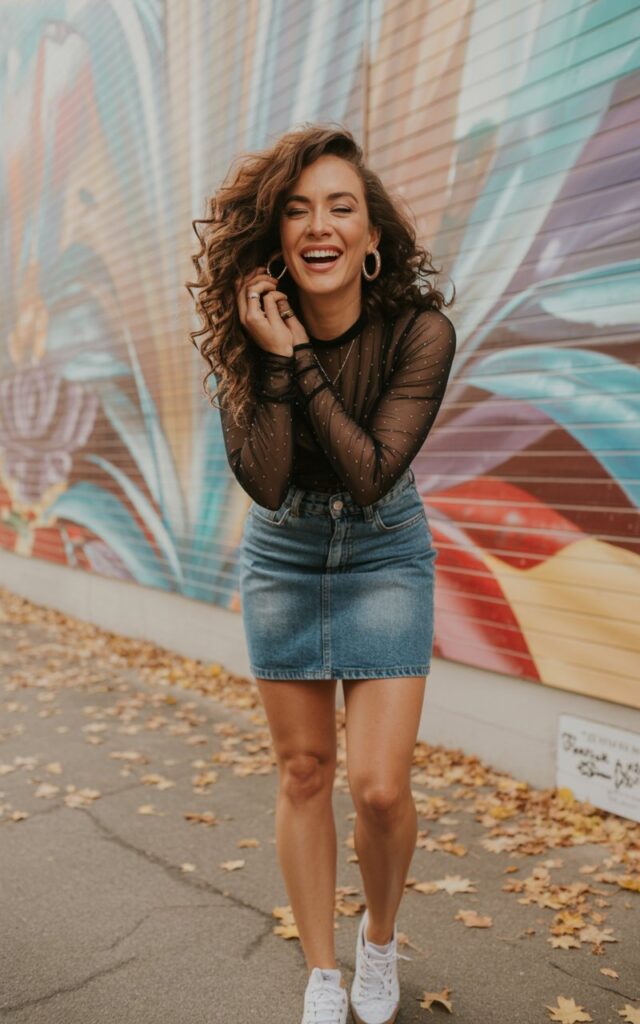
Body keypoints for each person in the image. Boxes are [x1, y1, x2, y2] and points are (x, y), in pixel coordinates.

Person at [187, 123, 456, 1024]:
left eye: (342, 206)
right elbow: (266, 484)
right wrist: (268, 356)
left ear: (372, 236)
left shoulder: (420, 332)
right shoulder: (242, 342)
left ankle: (379, 942)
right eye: (299, 209)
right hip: (286, 554)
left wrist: (299, 359)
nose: (321, 223)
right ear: (277, 241)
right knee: (303, 770)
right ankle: (323, 972)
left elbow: (373, 471)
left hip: (384, 549)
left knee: (379, 786)